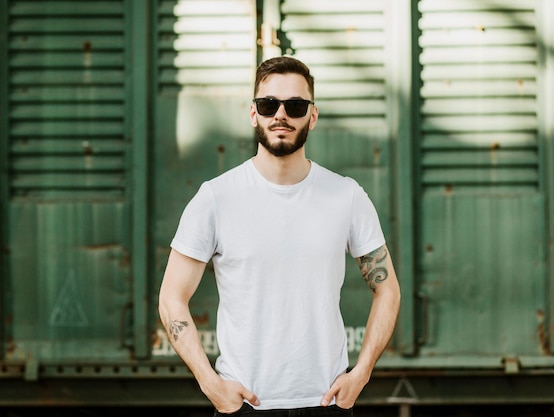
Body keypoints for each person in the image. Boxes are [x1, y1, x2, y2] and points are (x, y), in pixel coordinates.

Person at [158, 56, 401, 416]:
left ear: (312, 116)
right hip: (242, 406)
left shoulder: (346, 196)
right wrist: (211, 384)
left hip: (326, 402)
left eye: (295, 105)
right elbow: (171, 298)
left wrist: (361, 374)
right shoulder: (216, 197)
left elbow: (388, 289)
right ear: (254, 113)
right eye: (269, 104)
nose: (281, 115)